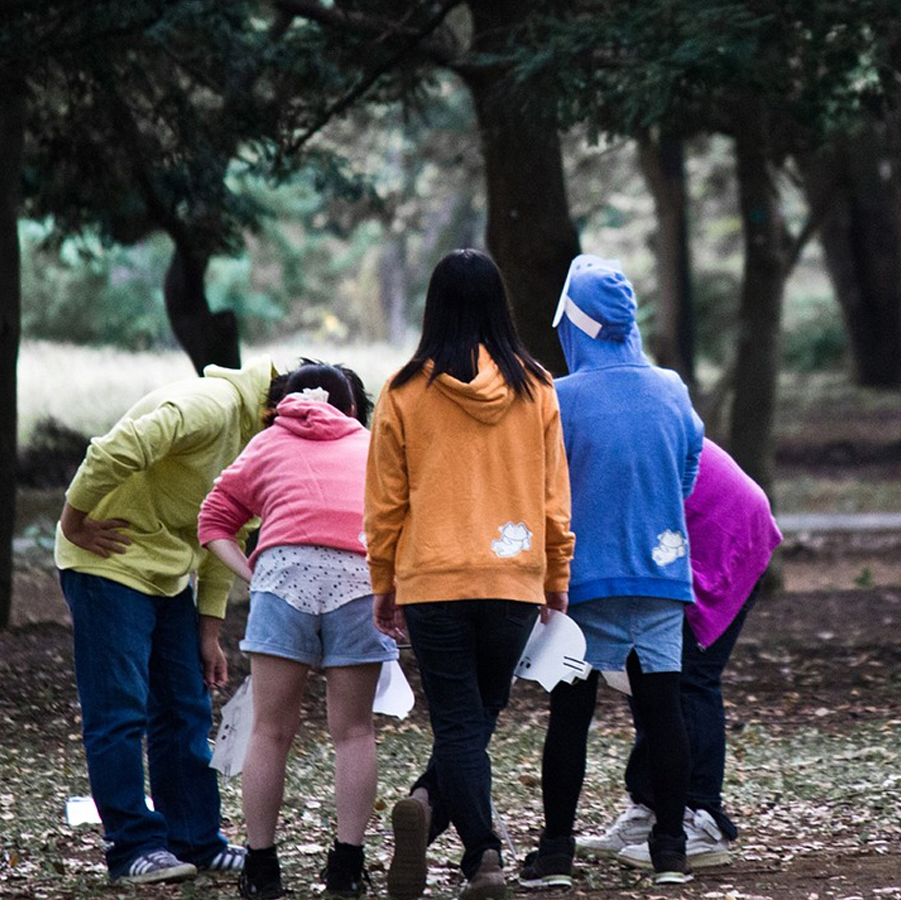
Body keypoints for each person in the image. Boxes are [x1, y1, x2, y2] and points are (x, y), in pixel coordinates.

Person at [367, 249, 573, 900]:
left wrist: (383, 580)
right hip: (511, 579)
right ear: (500, 304)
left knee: (461, 722)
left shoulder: (402, 389)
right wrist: (556, 575)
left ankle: (450, 825)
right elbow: (552, 495)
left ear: (433, 307)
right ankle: (473, 847)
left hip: (433, 580)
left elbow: (386, 501)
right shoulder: (536, 386)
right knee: (476, 719)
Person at [519, 255, 704, 890]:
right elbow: (689, 469)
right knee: (663, 713)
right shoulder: (672, 387)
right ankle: (671, 850)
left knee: (570, 717)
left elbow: (543, 487)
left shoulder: (558, 397)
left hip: (583, 579)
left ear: (571, 321)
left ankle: (556, 853)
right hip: (660, 574)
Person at [55, 360, 276, 884]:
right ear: (278, 410)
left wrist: (208, 632)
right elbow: (113, 448)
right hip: (107, 562)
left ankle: (195, 840)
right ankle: (132, 848)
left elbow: (229, 529)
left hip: (167, 573)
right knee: (120, 710)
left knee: (185, 706)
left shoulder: (262, 447)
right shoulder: (211, 407)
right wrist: (73, 521)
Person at [197, 361, 395, 898]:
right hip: (359, 578)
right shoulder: (372, 446)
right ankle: (347, 867)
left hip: (283, 578)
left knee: (270, 731)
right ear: (352, 407)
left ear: (282, 402)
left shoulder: (265, 444)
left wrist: (252, 571)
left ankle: (261, 868)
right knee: (353, 732)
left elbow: (212, 519)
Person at [578, 438, 782, 870]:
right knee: (648, 670)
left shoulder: (571, 422)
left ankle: (704, 819)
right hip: (679, 538)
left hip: (724, 532)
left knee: (688, 676)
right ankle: (654, 805)